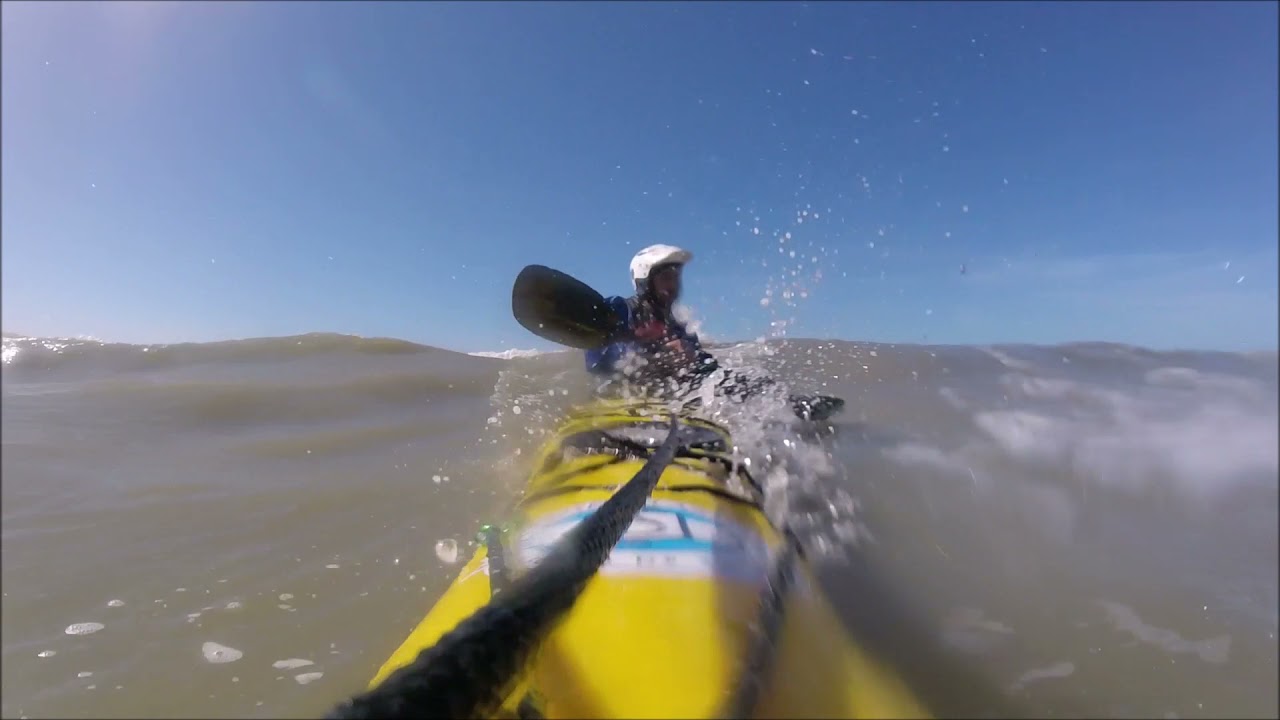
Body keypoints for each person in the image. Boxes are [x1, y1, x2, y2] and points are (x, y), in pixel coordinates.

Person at [585, 244, 718, 380]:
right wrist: (657, 355)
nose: (673, 285)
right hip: (616, 394)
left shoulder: (678, 330)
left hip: (662, 396)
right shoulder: (618, 309)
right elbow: (594, 360)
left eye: (675, 277)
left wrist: (695, 358)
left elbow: (708, 367)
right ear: (645, 281)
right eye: (666, 278)